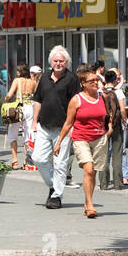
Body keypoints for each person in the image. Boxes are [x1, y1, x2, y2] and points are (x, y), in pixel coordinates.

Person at [54, 67, 109, 218]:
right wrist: (59, 142)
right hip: (81, 138)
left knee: (93, 173)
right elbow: (68, 123)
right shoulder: (77, 100)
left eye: (97, 80)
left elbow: (109, 114)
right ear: (83, 83)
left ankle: (87, 202)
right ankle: (90, 205)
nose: (96, 83)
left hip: (99, 139)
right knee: (89, 170)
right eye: (92, 81)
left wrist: (109, 129)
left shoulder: (102, 96)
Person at [31, 45, 80, 208]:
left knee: (60, 163)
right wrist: (33, 122)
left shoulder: (72, 79)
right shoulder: (44, 77)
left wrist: (73, 126)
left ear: (67, 62)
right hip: (44, 126)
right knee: (38, 158)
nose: (58, 63)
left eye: (62, 61)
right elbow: (38, 100)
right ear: (51, 61)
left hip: (63, 128)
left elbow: (76, 104)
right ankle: (53, 186)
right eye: (56, 60)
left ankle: (56, 196)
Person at [4, 63, 37, 167]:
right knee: (28, 135)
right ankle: (27, 162)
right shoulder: (33, 82)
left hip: (18, 108)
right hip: (30, 108)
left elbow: (9, 95)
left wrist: (6, 99)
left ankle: (14, 161)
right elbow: (36, 96)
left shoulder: (17, 81)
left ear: (19, 72)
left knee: (13, 134)